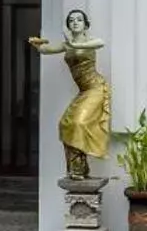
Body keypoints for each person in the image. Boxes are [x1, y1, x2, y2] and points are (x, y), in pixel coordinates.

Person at [28, 9, 109, 179]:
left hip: (95, 88)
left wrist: (77, 46)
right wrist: (37, 44)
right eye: (71, 20)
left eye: (79, 20)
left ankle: (79, 167)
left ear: (85, 24)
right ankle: (78, 168)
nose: (75, 22)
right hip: (83, 91)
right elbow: (46, 50)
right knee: (67, 123)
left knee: (78, 122)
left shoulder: (90, 41)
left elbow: (101, 43)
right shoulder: (67, 44)